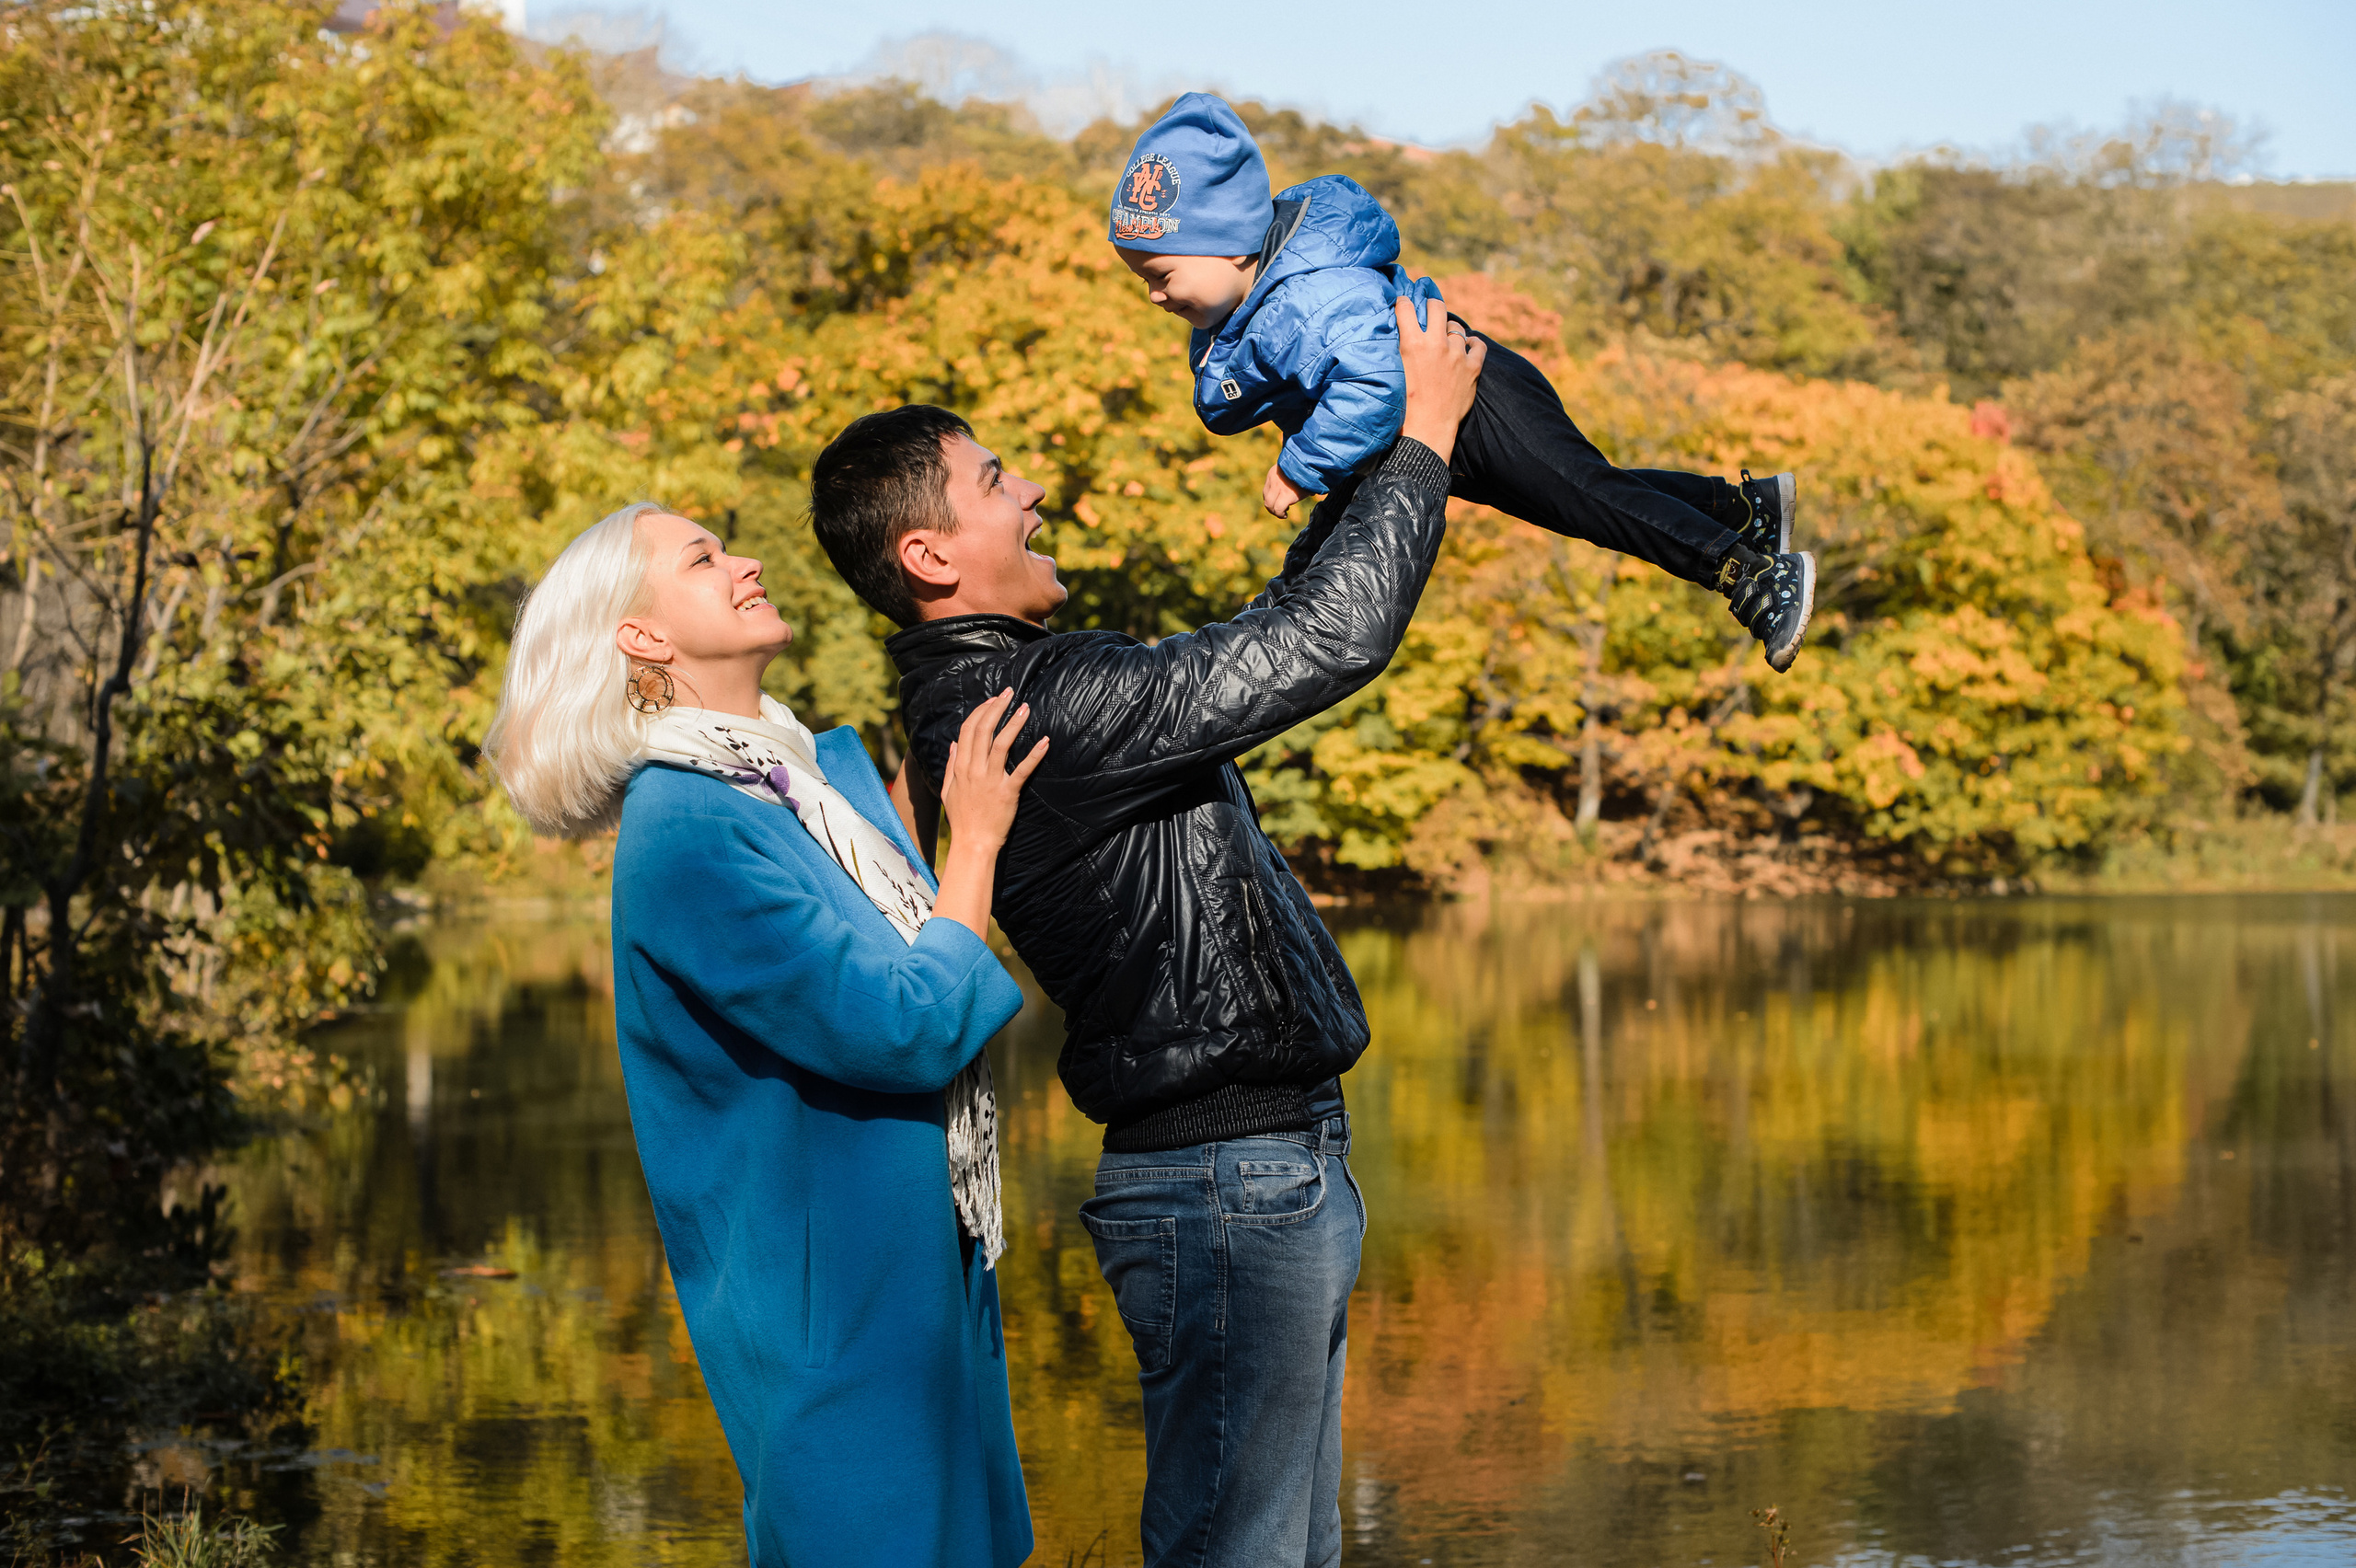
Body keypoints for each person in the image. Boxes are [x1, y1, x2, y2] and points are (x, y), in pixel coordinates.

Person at [807, 299, 1486, 1568]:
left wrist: (1349, 457)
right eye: (996, 480)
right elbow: (1325, 642)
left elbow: (1270, 639)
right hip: (1229, 1189)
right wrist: (1425, 443)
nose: (1034, 493)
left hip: (1256, 1177)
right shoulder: (1024, 701)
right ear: (932, 555)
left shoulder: (1015, 690)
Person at [481, 502, 1046, 1568]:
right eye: (702, 557)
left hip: (920, 1286)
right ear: (640, 636)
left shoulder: (800, 789)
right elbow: (912, 1024)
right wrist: (973, 845)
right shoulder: (688, 828)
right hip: (832, 1321)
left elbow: (914, 965)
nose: (742, 562)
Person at [1111, 92, 1818, 672]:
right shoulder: (1261, 299)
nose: (1153, 296)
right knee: (1583, 498)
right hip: (1442, 428)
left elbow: (1375, 383)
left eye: (1160, 275)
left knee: (1590, 498)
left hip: (1478, 399)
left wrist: (1301, 468)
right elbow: (1231, 396)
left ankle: (1751, 577)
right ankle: (1743, 508)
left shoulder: (1309, 298)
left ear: (1232, 243)